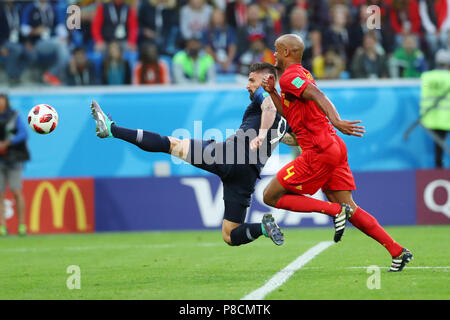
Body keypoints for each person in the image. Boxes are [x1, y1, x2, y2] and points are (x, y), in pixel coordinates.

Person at [90, 62, 298, 247]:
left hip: (229, 155)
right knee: (230, 234)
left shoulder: (264, 98)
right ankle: (262, 228)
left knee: (170, 143)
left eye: (252, 80)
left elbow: (269, 108)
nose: (247, 85)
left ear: (267, 81)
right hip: (247, 176)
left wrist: (261, 134)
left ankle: (111, 129)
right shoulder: (286, 119)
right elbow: (292, 138)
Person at [261, 34, 413, 272]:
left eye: (277, 50)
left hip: (318, 149)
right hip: (334, 147)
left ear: (287, 52)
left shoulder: (291, 77)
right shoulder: (299, 75)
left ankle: (333, 211)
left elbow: (317, 95)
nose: (274, 54)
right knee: (350, 207)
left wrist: (337, 119)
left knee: (270, 196)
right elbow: (292, 114)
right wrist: (272, 94)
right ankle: (397, 251)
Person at [0, 94, 30, 237]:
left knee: (17, 192)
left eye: (2, 100)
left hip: (13, 159)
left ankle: (22, 225)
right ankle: (2, 227)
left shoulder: (14, 116)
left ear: (6, 103)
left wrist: (7, 143)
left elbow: (23, 134)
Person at [420, 49, 450, 168]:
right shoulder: (448, 77)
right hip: (447, 117)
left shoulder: (427, 77)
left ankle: (438, 169)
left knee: (438, 148)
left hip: (430, 117)